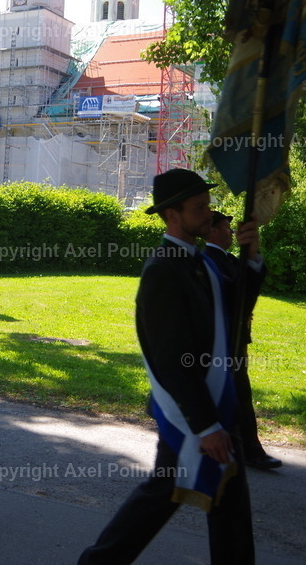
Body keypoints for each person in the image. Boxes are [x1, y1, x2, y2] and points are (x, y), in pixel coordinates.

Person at [79, 169, 263, 565]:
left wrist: (252, 258)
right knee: (163, 497)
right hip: (194, 413)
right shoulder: (164, 270)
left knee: (222, 502)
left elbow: (235, 312)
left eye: (207, 205)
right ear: (172, 215)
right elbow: (171, 359)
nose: (209, 215)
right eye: (200, 208)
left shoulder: (200, 263)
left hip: (212, 408)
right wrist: (206, 425)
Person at [204, 211, 280, 470]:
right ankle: (243, 450)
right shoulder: (208, 260)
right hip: (221, 342)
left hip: (236, 341)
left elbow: (249, 286)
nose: (231, 232)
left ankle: (243, 449)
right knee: (233, 396)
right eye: (226, 227)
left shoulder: (228, 259)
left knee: (240, 395)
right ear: (213, 231)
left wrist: (252, 258)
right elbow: (235, 295)